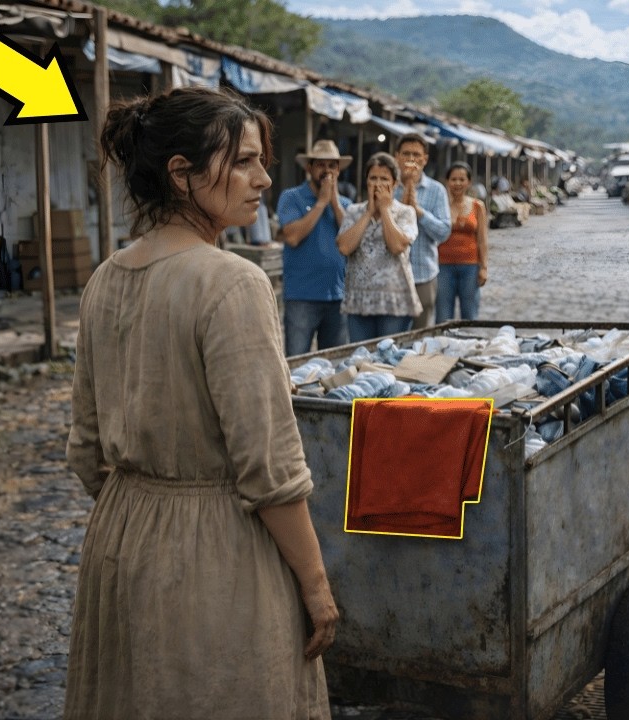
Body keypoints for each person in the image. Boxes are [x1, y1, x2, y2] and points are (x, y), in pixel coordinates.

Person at [66, 86, 338, 719]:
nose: (263, 178)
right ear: (181, 174)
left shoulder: (106, 278)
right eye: (242, 161)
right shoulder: (232, 282)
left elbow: (85, 449)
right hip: (216, 556)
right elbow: (269, 467)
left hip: (120, 542)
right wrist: (317, 586)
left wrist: (145, 503)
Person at [277, 139, 355, 356]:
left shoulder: (346, 205)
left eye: (332, 166)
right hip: (302, 297)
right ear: (309, 168)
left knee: (334, 367)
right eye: (321, 165)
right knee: (298, 362)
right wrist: (321, 203)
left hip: (337, 297)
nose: (326, 171)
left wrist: (334, 201)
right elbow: (292, 237)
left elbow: (350, 241)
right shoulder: (291, 197)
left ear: (338, 170)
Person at [338, 152, 421, 342]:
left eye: (384, 179)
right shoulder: (353, 211)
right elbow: (344, 247)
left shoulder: (405, 213)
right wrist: (368, 213)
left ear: (394, 184)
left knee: (389, 360)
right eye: (373, 178)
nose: (377, 184)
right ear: (366, 181)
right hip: (359, 302)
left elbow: (396, 245)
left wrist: (384, 210)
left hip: (395, 303)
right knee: (361, 359)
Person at [392, 133, 451, 330]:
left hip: (424, 274)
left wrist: (419, 212)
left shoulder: (436, 190)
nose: (411, 160)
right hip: (391, 276)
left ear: (425, 159)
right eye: (406, 154)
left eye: (416, 155)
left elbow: (443, 232)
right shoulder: (388, 187)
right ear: (396, 157)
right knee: (392, 334)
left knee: (421, 334)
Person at [436, 162, 488, 322]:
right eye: (453, 179)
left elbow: (482, 239)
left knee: (470, 313)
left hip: (470, 266)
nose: (457, 183)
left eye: (461, 179)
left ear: (469, 182)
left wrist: (483, 267)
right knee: (443, 315)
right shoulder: (439, 205)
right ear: (447, 181)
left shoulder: (477, 206)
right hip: (442, 265)